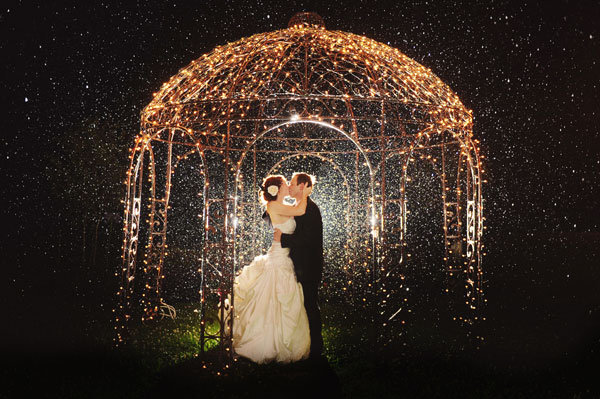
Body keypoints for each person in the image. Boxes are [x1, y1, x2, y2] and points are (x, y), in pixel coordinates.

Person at [232, 175, 312, 364]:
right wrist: (305, 192)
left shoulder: (283, 203)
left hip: (284, 254)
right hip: (278, 255)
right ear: (276, 189)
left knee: (281, 297)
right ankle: (265, 342)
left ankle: (280, 338)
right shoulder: (274, 206)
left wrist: (298, 192)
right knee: (273, 296)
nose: (287, 185)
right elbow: (300, 210)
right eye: (285, 184)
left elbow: (295, 208)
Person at [273, 172, 325, 360]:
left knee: (309, 305)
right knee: (300, 306)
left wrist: (283, 238)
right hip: (297, 265)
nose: (290, 186)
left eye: (293, 183)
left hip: (308, 266)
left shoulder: (311, 209)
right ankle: (303, 343)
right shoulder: (297, 207)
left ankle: (317, 347)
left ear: (302, 186)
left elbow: (309, 239)